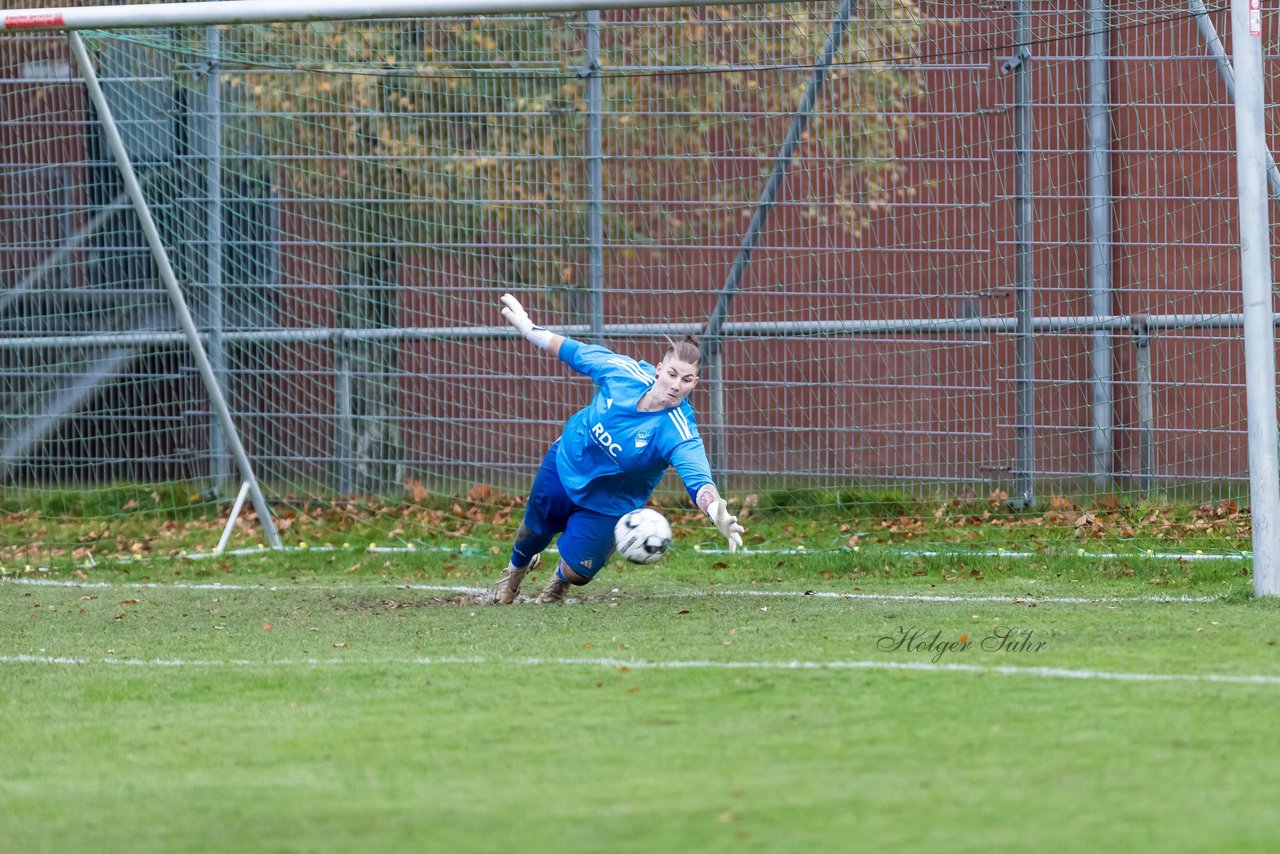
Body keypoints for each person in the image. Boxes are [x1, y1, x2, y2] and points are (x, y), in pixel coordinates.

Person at [493, 293, 745, 604]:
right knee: (530, 535)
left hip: (610, 503)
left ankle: (558, 583)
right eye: (671, 374)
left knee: (578, 573)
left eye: (687, 379)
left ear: (695, 383)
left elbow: (698, 479)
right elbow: (573, 351)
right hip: (565, 463)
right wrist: (530, 328)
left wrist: (715, 510)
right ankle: (514, 573)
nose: (676, 384)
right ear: (658, 370)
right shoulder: (622, 373)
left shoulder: (678, 430)